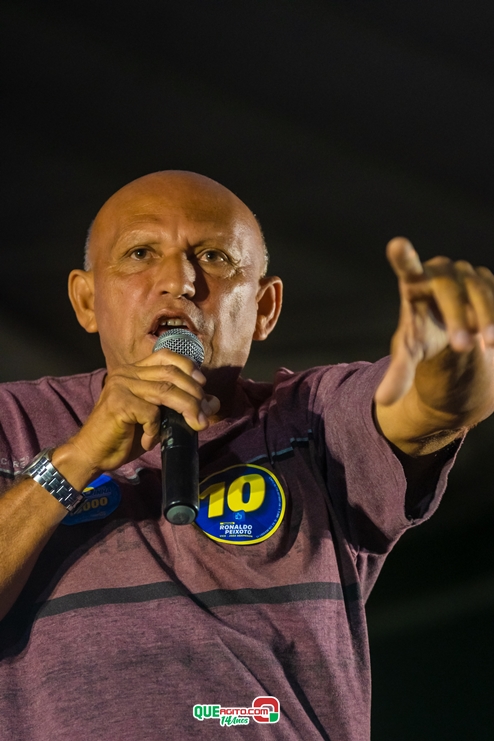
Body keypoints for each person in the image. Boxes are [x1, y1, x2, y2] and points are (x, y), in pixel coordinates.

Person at [0, 171, 493, 741]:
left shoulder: (312, 420)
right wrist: (78, 458)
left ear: (264, 308)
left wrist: (455, 365)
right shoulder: (13, 423)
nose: (180, 281)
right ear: (87, 300)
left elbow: (423, 406)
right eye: (140, 254)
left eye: (213, 257)